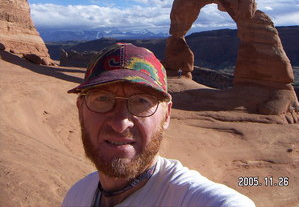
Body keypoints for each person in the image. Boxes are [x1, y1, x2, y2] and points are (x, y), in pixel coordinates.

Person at [62, 43, 255, 207]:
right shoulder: (76, 196)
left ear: (167, 115)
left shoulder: (201, 200)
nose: (120, 123)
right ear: (80, 109)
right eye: (103, 99)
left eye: (141, 101)